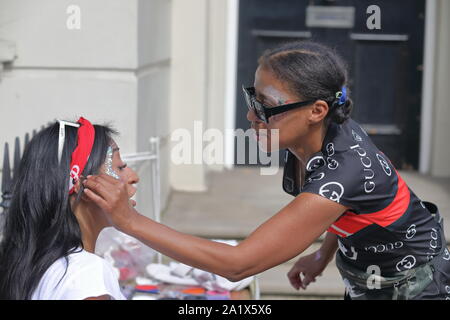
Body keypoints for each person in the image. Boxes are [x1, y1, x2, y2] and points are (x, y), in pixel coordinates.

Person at [82, 41, 450, 300]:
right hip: (371, 278)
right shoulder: (320, 136)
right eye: (251, 99)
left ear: (316, 111)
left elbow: (238, 265)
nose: (250, 116)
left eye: (266, 106)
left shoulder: (344, 170)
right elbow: (356, 209)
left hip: (414, 287)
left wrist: (128, 220)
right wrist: (323, 253)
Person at [0, 118, 139, 300]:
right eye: (120, 167)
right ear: (84, 184)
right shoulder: (86, 276)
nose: (134, 177)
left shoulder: (32, 261)